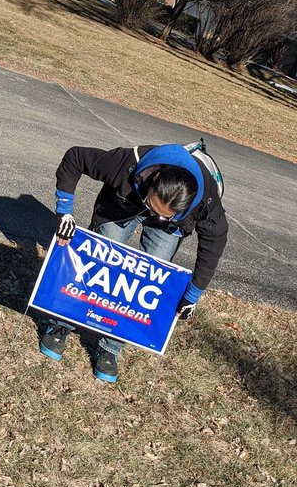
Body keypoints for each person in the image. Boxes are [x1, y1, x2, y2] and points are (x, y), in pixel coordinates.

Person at [40, 142, 228, 383]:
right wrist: (64, 212)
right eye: (152, 207)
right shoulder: (125, 164)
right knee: (99, 255)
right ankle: (61, 323)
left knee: (150, 274)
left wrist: (193, 294)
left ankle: (110, 347)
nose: (152, 215)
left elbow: (214, 244)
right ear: (153, 179)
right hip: (122, 204)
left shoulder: (206, 201)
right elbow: (75, 157)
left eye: (161, 213)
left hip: (170, 227)